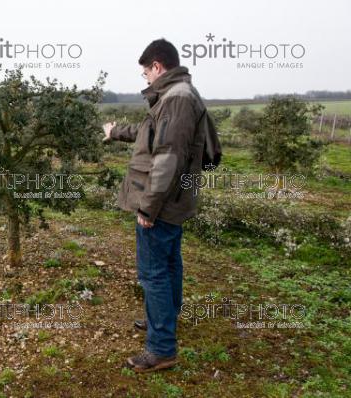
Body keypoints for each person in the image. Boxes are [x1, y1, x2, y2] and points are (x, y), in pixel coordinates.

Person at [103, 38, 209, 372]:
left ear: (157, 67)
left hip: (163, 202)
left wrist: (148, 208)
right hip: (174, 200)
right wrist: (115, 131)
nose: (145, 79)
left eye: (145, 73)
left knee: (153, 272)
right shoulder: (177, 95)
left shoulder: (175, 100)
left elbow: (168, 158)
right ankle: (163, 320)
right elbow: (151, 134)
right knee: (169, 263)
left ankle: (162, 348)